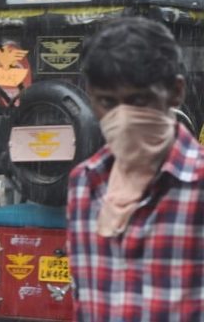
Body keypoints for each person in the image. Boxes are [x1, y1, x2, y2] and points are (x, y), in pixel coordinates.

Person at [67, 17, 204, 320]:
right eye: (107, 102)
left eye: (138, 100)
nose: (123, 117)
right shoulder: (83, 185)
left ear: (176, 92)